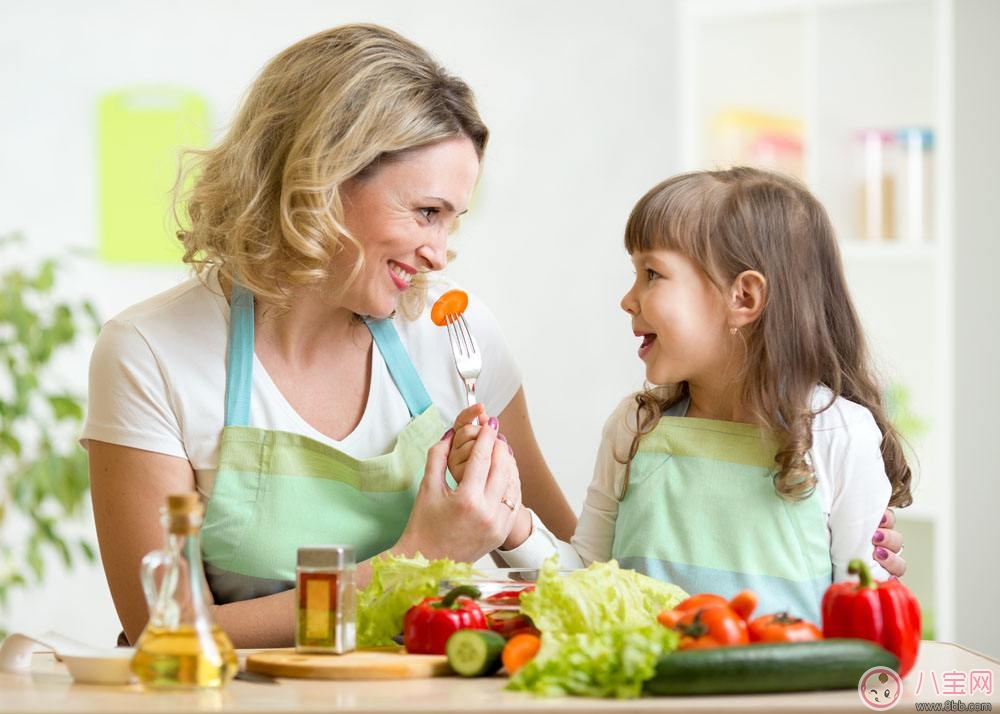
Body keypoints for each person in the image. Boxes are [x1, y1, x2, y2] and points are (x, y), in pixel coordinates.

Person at [83, 26, 904, 648]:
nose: (444, 252)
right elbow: (167, 630)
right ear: (317, 181)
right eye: (426, 212)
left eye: (456, 218)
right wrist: (409, 563)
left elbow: (573, 572)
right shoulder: (152, 355)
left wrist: (823, 550)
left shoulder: (456, 339)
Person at [450, 167, 911, 622]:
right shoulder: (634, 427)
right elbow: (588, 584)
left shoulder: (837, 433)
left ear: (743, 298)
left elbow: (863, 617)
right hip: (641, 697)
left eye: (652, 274)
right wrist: (510, 522)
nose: (627, 299)